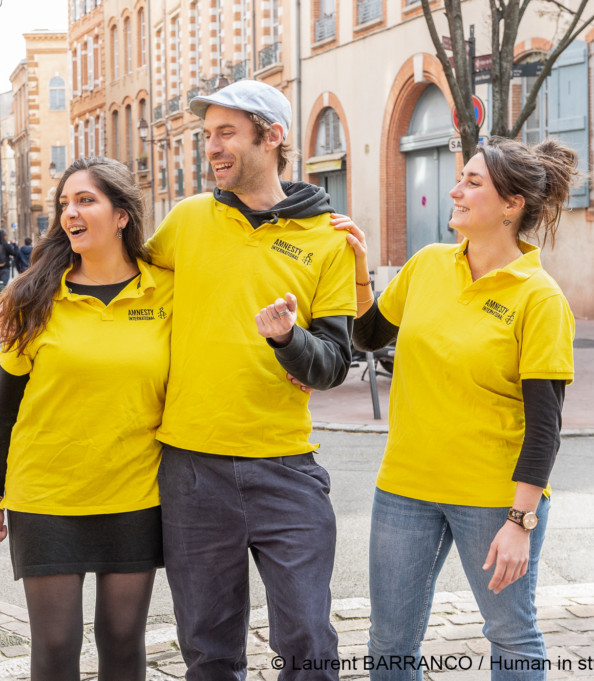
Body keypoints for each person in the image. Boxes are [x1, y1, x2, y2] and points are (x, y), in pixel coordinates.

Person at [146, 80, 356, 679]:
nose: (211, 148)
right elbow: (120, 275)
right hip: (191, 468)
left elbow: (336, 362)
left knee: (310, 643)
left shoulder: (328, 240)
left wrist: (289, 340)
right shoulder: (187, 221)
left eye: (226, 133)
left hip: (285, 468)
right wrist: (33, 293)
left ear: (273, 136)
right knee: (208, 653)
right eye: (207, 135)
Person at [347, 137, 577, 681]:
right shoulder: (428, 264)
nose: (455, 190)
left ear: (511, 204)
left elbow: (545, 427)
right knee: (389, 642)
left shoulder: (540, 299)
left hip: (493, 500)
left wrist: (520, 522)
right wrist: (359, 265)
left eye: (473, 182)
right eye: (461, 178)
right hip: (405, 487)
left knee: (511, 637)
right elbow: (368, 334)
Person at [0, 157, 173, 681]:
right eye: (65, 203)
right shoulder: (35, 296)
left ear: (122, 215)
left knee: (123, 640)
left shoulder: (167, 292)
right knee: (57, 646)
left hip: (133, 493)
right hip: (47, 497)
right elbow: (5, 403)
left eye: (86, 200)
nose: (71, 213)